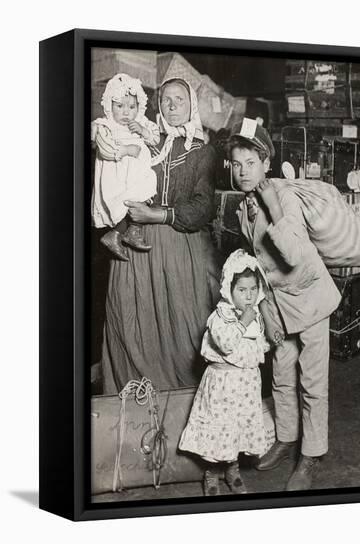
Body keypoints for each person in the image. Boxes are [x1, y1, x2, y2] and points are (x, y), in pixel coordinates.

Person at [228, 118, 341, 491]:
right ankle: (287, 438)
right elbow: (256, 265)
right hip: (277, 304)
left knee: (312, 382)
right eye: (236, 164)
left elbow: (291, 254)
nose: (243, 172)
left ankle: (311, 454)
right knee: (280, 376)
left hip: (308, 298)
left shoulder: (283, 195)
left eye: (251, 163)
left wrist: (274, 205)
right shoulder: (242, 205)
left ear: (267, 164)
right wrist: (263, 312)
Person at [100, 77, 219, 392]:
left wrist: (156, 214)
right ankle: (134, 408)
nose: (172, 105)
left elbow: (203, 207)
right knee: (131, 323)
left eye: (179, 99)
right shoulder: (145, 142)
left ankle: (184, 408)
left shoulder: (203, 151)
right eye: (166, 99)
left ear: (191, 104)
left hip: (179, 247)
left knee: (183, 331)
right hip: (135, 248)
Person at [179, 249, 270, 496]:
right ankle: (211, 472)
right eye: (242, 290)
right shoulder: (220, 316)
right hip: (222, 384)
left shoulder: (256, 314)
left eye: (253, 290)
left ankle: (233, 469)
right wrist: (243, 322)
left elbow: (257, 346)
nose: (249, 296)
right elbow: (226, 343)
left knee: (237, 428)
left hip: (245, 384)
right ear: (229, 290)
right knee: (219, 428)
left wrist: (266, 339)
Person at [91, 73, 160, 261]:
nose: (126, 112)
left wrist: (143, 131)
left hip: (138, 172)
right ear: (109, 106)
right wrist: (125, 149)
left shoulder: (142, 122)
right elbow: (100, 144)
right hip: (117, 173)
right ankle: (115, 233)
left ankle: (132, 231)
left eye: (131, 107)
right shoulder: (106, 125)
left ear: (139, 107)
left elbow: (155, 138)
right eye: (119, 106)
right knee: (122, 201)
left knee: (145, 191)